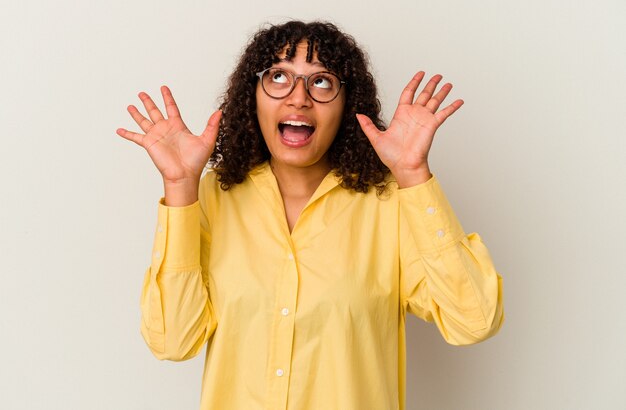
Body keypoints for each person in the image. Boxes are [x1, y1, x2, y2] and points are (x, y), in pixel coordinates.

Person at [116, 20, 504, 410]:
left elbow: (472, 320)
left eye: (321, 82)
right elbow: (172, 341)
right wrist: (181, 188)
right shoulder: (214, 197)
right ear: (252, 96)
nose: (298, 98)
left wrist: (413, 175)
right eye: (279, 76)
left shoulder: (390, 203)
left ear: (347, 104)